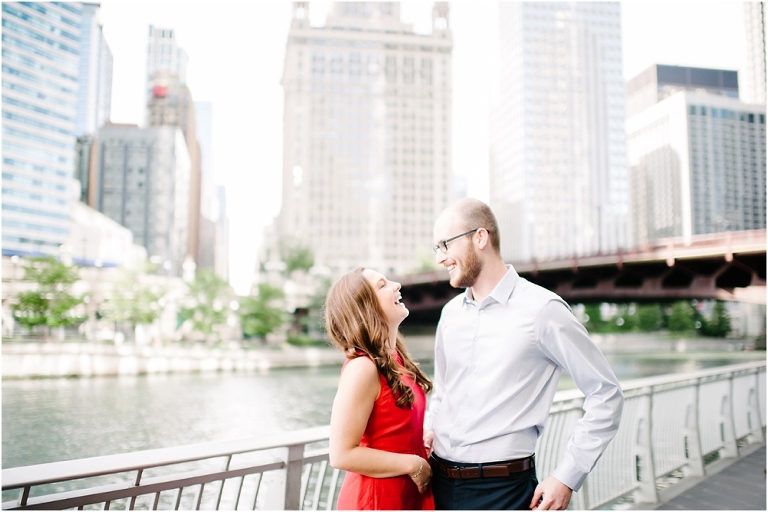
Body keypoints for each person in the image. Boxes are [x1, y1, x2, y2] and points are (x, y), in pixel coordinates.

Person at [425, 198, 624, 511]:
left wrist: (567, 476)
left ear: (480, 238)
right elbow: (442, 392)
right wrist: (428, 430)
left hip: (503, 493)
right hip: (438, 486)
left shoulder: (543, 310)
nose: (440, 258)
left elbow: (606, 394)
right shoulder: (449, 314)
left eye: (445, 245)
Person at [326, 267, 435, 510]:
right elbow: (341, 454)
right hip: (377, 497)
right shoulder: (362, 368)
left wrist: (422, 435)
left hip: (406, 491)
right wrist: (414, 464)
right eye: (383, 285)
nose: (396, 285)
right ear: (366, 307)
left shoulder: (395, 359)